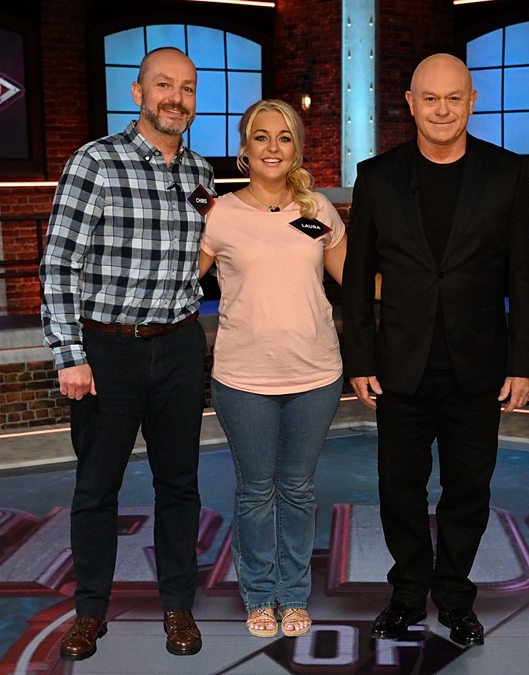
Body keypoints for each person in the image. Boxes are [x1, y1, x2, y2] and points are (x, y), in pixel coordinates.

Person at [340, 53, 529, 647]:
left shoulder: (508, 173)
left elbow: (526, 277)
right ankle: (407, 594)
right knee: (398, 489)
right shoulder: (377, 176)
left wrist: (524, 364)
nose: (442, 110)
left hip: (479, 365)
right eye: (430, 98)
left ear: (472, 101)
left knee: (468, 490)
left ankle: (455, 597)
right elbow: (357, 277)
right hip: (399, 366)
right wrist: (360, 359)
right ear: (410, 103)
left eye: (454, 98)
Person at [40, 46, 209, 661]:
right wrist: (69, 354)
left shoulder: (201, 173)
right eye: (163, 85)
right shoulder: (95, 162)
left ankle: (178, 606)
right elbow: (59, 264)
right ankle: (90, 612)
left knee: (180, 486)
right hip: (106, 350)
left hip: (180, 345)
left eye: (186, 88)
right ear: (138, 93)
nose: (175, 98)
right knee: (96, 488)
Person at [199, 99, 347, 639]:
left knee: (298, 490)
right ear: (245, 146)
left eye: (284, 138)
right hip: (243, 378)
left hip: (316, 374)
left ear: (297, 148)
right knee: (256, 491)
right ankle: (260, 594)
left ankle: (295, 593)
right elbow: (176, 284)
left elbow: (356, 279)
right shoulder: (218, 213)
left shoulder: (317, 210)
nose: (272, 148)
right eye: (261, 137)